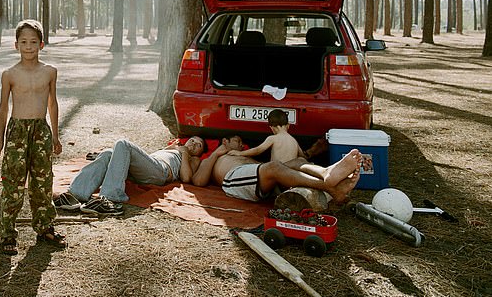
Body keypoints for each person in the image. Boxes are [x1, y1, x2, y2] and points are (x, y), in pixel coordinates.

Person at [0, 19, 65, 255]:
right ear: (16, 45)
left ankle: (45, 228)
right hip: (17, 132)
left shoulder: (49, 72)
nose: (29, 46)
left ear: (41, 44)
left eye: (33, 41)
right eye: (23, 42)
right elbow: (3, 107)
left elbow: (53, 103)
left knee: (42, 182)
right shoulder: (9, 74)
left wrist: (55, 135)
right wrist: (1, 139)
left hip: (41, 130)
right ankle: (7, 234)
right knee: (12, 183)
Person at [54, 136, 208, 216]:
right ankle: (75, 194)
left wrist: (184, 153)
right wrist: (172, 148)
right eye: (192, 140)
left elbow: (187, 178)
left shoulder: (193, 159)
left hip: (160, 172)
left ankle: (110, 198)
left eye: (198, 145)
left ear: (201, 152)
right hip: (147, 166)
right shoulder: (175, 148)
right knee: (108, 152)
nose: (193, 144)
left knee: (123, 143)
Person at [192, 134, 361, 205]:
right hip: (234, 180)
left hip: (253, 174)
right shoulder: (214, 158)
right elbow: (199, 180)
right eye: (237, 141)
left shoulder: (239, 154)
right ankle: (330, 187)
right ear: (224, 141)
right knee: (274, 166)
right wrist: (216, 153)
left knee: (298, 160)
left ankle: (325, 173)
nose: (242, 145)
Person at [226, 109, 305, 163]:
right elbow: (302, 156)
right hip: (290, 174)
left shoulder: (273, 138)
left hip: (278, 173)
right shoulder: (294, 141)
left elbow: (258, 150)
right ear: (288, 125)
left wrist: (240, 153)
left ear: (271, 128)